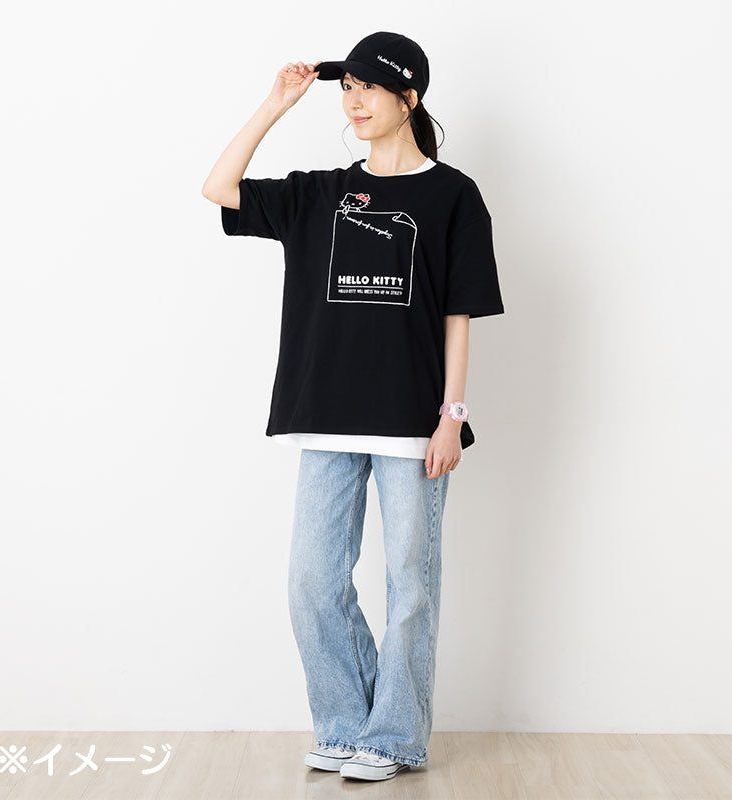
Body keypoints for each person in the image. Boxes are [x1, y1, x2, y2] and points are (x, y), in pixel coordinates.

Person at [202, 31, 505, 782]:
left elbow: (458, 314)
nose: (354, 101)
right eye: (346, 88)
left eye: (368, 86)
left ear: (409, 97)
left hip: (412, 422)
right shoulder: (320, 194)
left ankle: (395, 739)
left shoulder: (452, 195)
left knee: (410, 587)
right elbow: (219, 187)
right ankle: (344, 726)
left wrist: (452, 417)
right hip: (325, 414)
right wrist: (276, 104)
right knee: (312, 582)